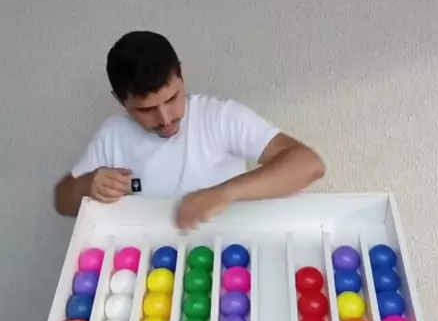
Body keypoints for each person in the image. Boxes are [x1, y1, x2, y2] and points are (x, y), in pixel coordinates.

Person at [54, 31, 325, 229]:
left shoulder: (219, 117)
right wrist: (86, 186)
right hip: (150, 268)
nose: (165, 118)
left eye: (172, 98)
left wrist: (224, 193)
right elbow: (62, 201)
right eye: (146, 110)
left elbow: (309, 165)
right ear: (120, 101)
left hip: (229, 261)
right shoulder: (113, 135)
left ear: (181, 74)